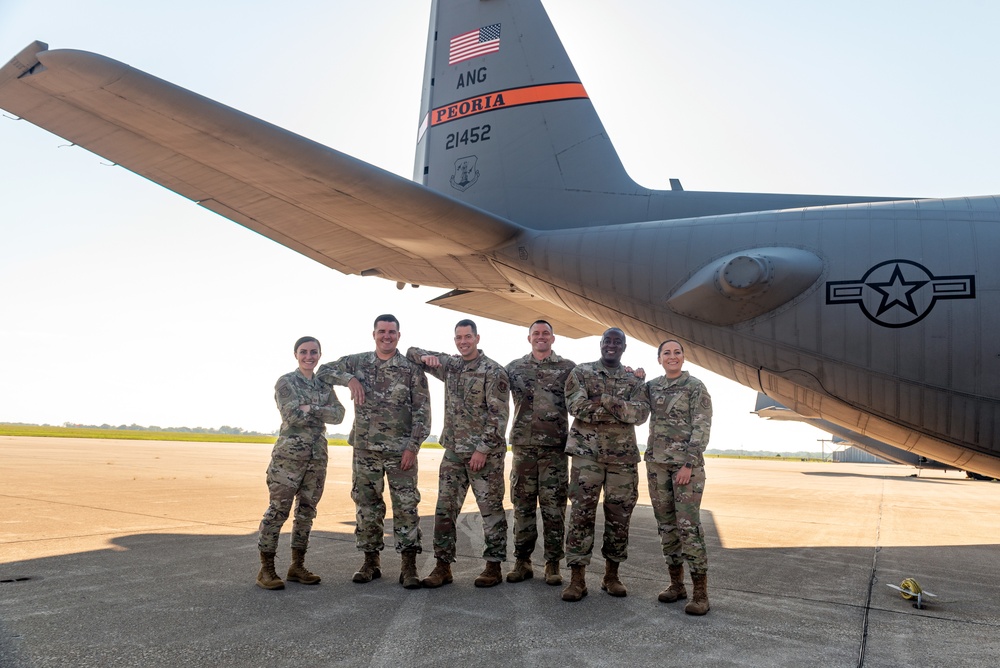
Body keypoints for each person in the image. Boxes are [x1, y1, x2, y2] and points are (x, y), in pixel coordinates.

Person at [317, 315, 431, 589]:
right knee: (367, 506)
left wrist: (412, 448)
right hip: (366, 449)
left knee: (406, 507)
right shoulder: (358, 362)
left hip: (400, 451)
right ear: (374, 334)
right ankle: (370, 562)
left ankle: (409, 566)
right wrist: (349, 379)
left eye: (392, 332)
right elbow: (323, 371)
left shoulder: (411, 369)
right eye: (382, 331)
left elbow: (423, 413)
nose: (387, 336)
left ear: (399, 336)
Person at [407, 319, 510, 588]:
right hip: (453, 451)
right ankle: (443, 567)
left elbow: (498, 417)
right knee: (444, 511)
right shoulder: (451, 366)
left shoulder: (493, 371)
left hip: (483, 456)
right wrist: (426, 357)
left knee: (491, 512)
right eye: (459, 337)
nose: (463, 342)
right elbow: (411, 351)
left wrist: (482, 450)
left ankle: (493, 566)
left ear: (477, 338)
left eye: (468, 337)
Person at [561, 327, 649, 602]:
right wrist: (620, 410)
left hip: (622, 460)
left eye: (617, 342)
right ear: (600, 344)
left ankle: (612, 576)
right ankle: (577, 580)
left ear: (624, 347)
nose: (612, 345)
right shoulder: (581, 372)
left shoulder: (634, 379)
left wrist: (605, 400)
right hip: (587, 456)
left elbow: (641, 413)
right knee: (581, 515)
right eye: (607, 341)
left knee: (619, 518)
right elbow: (576, 406)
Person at [256, 336, 346, 590]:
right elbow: (291, 414)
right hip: (288, 459)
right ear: (296, 354)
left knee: (307, 512)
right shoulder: (286, 381)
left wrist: (311, 407)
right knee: (278, 511)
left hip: (317, 457)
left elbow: (339, 415)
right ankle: (266, 569)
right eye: (304, 352)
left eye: (314, 352)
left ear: (320, 355)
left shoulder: (324, 384)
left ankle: (297, 566)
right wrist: (317, 410)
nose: (309, 356)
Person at [504, 320, 576, 586]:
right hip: (524, 448)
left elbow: (592, 385)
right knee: (522, 506)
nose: (541, 337)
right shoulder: (514, 368)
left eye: (546, 333)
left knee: (554, 508)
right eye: (536, 333)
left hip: (554, 451)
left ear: (553, 339)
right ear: (529, 338)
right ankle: (522, 561)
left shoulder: (569, 368)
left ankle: (552, 563)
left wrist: (631, 372)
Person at [645, 339, 713, 615]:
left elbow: (702, 425)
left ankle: (700, 593)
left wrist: (688, 463)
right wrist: (633, 375)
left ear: (683, 357)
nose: (672, 357)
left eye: (677, 352)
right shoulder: (651, 386)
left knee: (688, 527)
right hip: (657, 466)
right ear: (659, 358)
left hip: (686, 468)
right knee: (666, 526)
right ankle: (676, 585)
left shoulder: (695, 386)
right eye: (667, 353)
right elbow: (635, 408)